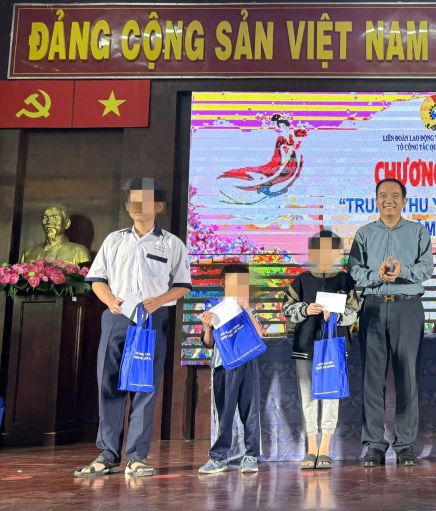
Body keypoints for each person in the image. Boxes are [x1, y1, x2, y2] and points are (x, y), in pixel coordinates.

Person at [77, 178, 192, 477]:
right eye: (133, 202)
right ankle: (107, 454)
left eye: (146, 201)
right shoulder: (114, 240)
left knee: (145, 385)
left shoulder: (171, 243)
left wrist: (160, 300)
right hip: (116, 317)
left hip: (154, 319)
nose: (139, 206)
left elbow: (182, 285)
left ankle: (137, 456)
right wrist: (110, 302)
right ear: (128, 208)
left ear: (160, 206)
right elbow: (97, 280)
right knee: (109, 382)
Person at [348, 178, 433, 467]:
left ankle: (406, 444)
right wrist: (377, 275)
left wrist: (401, 271)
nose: (389, 200)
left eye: (395, 196)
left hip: (407, 308)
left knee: (407, 377)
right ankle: (374, 444)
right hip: (372, 308)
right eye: (383, 195)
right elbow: (355, 272)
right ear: (375, 199)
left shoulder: (418, 232)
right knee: (373, 380)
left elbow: (426, 269)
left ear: (404, 200)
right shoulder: (363, 234)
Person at [282, 230, 359, 470]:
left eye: (331, 249)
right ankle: (311, 447)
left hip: (334, 346)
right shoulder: (301, 280)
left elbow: (354, 313)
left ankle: (325, 447)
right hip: (306, 346)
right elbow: (287, 309)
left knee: (330, 395)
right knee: (308, 397)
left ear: (339, 252)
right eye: (320, 249)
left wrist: (336, 314)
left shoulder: (346, 281)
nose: (325, 254)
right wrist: (306, 309)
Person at [198, 264, 265, 475]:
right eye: (233, 280)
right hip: (223, 366)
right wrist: (207, 327)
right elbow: (208, 344)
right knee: (224, 414)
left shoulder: (248, 307)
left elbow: (260, 335)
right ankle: (219, 458)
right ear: (223, 283)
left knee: (250, 412)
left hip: (247, 364)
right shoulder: (213, 307)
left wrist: (246, 309)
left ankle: (251, 455)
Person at [20, 205, 91, 264]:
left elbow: (85, 279)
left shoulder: (79, 252)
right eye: (46, 217)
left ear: (67, 223)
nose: (49, 222)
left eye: (54, 218)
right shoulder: (28, 253)